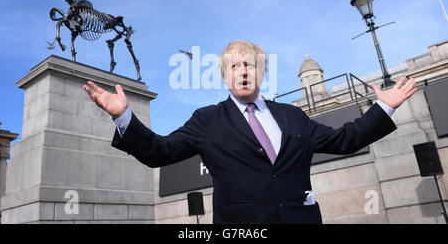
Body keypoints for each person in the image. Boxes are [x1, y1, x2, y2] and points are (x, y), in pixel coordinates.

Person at [83, 40, 417, 224]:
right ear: (225, 76)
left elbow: (345, 140)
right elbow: (161, 151)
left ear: (261, 72)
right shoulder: (207, 120)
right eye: (235, 66)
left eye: (250, 65)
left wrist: (384, 107)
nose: (243, 71)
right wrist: (125, 116)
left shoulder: (292, 116)